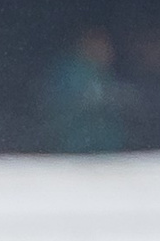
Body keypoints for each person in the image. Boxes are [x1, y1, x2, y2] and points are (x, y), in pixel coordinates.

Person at [42, 26, 125, 154]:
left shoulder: (104, 74)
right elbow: (64, 106)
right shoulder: (69, 72)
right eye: (100, 43)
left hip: (108, 153)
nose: (108, 50)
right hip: (76, 150)